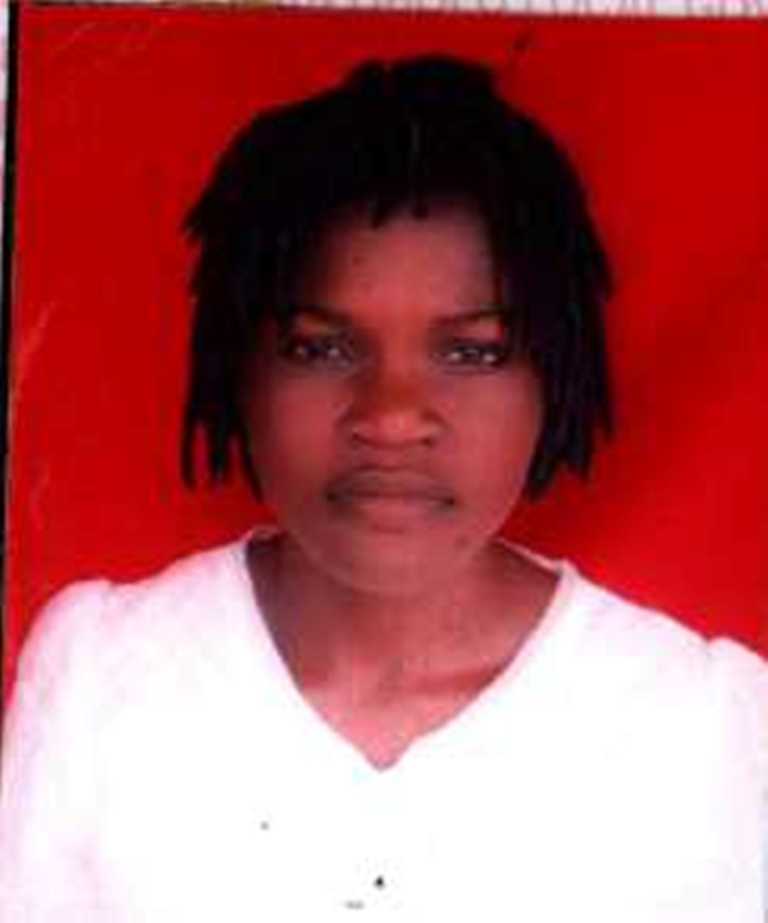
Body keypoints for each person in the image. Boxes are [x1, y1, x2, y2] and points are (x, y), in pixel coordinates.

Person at [1, 55, 766, 923]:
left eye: (471, 351)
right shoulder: (101, 673)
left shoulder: (702, 723)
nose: (393, 416)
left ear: (555, 377)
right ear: (236, 369)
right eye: (321, 347)